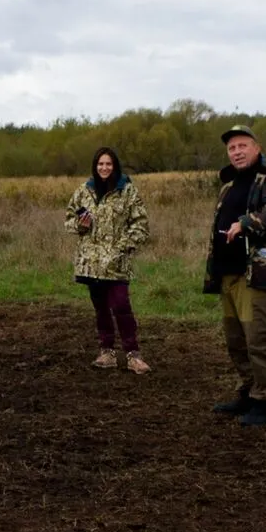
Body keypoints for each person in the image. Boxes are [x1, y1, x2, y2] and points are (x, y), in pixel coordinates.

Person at [204, 124, 266, 426]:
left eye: (242, 146)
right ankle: (248, 392)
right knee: (236, 341)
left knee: (258, 338)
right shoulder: (228, 185)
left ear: (257, 147)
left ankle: (265, 401)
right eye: (232, 148)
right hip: (228, 275)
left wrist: (248, 222)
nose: (237, 152)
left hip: (258, 273)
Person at [64, 146, 152, 374]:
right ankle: (107, 352)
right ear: (95, 166)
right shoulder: (84, 190)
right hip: (91, 263)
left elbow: (141, 224)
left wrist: (122, 247)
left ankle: (133, 355)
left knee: (121, 306)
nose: (104, 168)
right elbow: (69, 220)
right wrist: (79, 225)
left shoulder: (128, 191)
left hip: (116, 262)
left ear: (115, 166)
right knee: (101, 308)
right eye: (100, 164)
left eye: (108, 164)